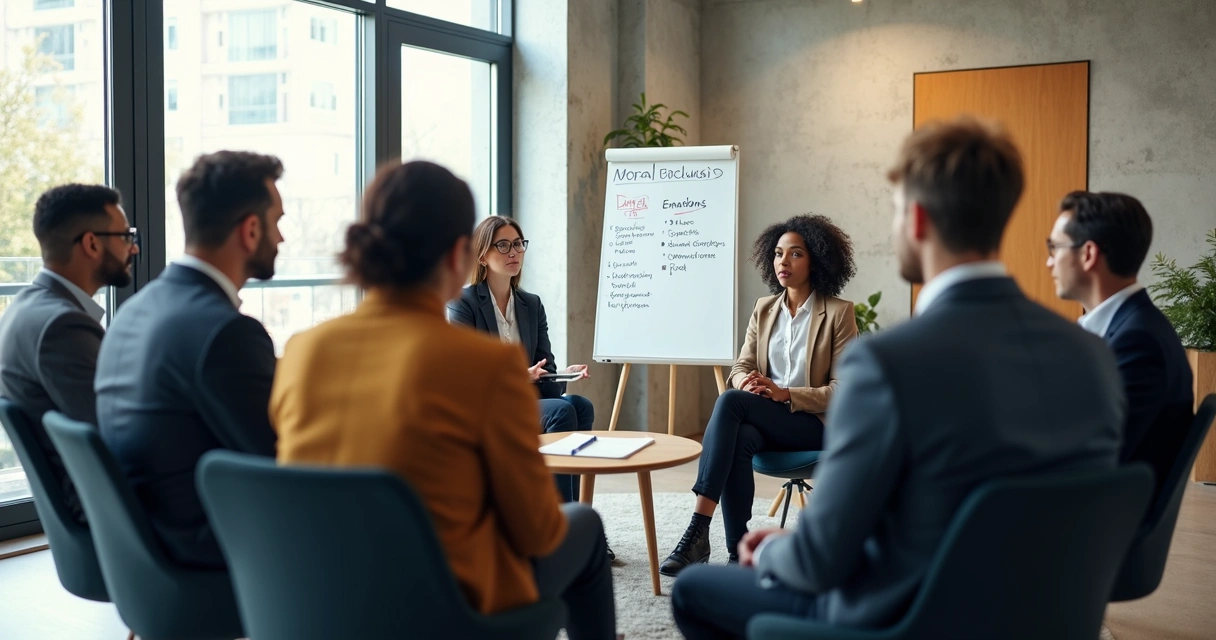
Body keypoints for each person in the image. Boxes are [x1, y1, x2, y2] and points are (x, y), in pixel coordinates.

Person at [670, 117, 1125, 639]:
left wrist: (772, 550)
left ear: (918, 220)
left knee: (694, 591)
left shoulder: (887, 364)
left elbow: (821, 558)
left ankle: (721, 539)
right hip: (1044, 619)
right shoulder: (1092, 355)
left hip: (911, 619)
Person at [271, 161, 616, 640]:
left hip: (326, 603)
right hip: (447, 609)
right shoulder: (484, 364)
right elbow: (536, 532)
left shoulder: (302, 353)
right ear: (460, 255)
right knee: (584, 524)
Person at [95, 151, 283, 568]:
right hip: (209, 555)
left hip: (142, 552)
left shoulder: (136, 310)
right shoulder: (226, 332)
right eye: (277, 222)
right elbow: (282, 467)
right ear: (251, 230)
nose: (282, 238)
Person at [660, 214, 859, 576]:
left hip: (814, 425)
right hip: (766, 420)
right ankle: (738, 552)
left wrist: (785, 393)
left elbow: (843, 390)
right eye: (779, 253)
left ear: (816, 260)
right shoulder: (764, 309)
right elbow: (741, 366)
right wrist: (746, 384)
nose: (784, 261)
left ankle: (697, 529)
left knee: (730, 402)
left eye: (795, 253)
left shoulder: (838, 313)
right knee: (741, 434)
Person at [0, 184, 138, 523]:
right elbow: (116, 440)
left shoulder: (23, 308)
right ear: (91, 243)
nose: (133, 248)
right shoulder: (63, 326)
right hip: (109, 513)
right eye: (126, 236)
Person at [1048, 190, 1193, 493]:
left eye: (1055, 247)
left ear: (1088, 254)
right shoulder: (1130, 328)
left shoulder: (1139, 341)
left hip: (1094, 513)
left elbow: (1095, 456)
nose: (1049, 262)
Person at [448, 215, 594, 504]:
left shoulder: (532, 304)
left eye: (517, 244)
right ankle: (558, 520)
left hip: (526, 400)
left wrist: (563, 374)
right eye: (502, 245)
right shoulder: (463, 303)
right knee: (561, 412)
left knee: (580, 405)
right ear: (482, 256)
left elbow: (545, 372)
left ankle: (576, 510)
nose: (513, 252)